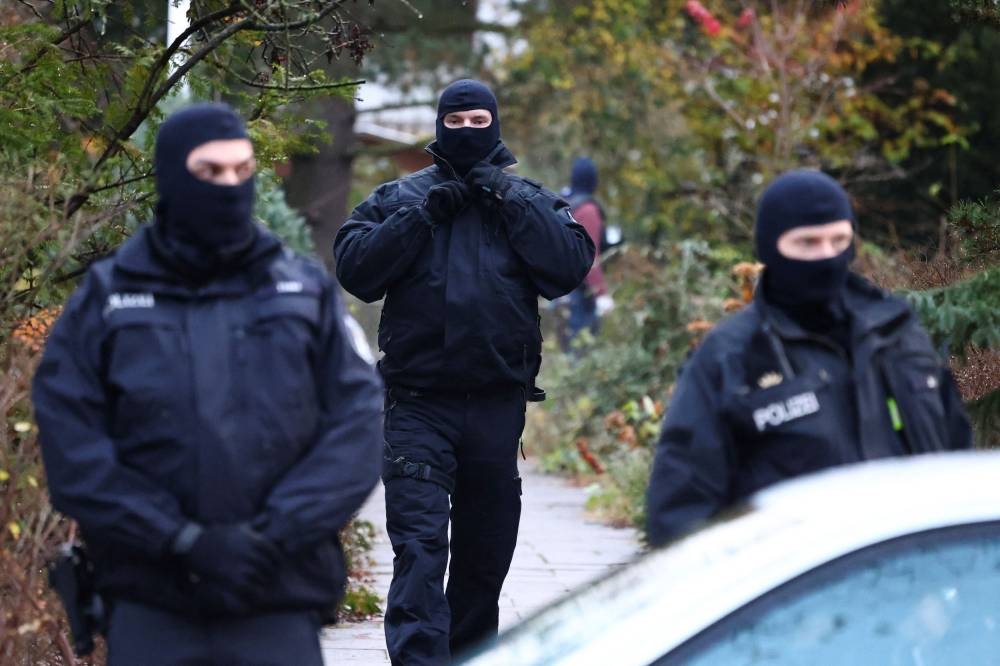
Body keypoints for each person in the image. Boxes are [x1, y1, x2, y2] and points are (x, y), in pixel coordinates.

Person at [32, 103, 383, 665]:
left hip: (277, 599)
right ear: (173, 177)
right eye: (210, 172)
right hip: (152, 603)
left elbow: (357, 426)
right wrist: (179, 539)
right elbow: (74, 447)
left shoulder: (303, 292)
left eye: (242, 171)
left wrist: (270, 536)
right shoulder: (107, 299)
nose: (229, 186)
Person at [334, 78, 594, 664]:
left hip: (497, 407)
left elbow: (569, 265)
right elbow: (356, 268)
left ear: (495, 125)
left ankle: (472, 656)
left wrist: (506, 195)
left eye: (481, 122)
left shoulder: (526, 198)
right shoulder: (401, 198)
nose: (470, 133)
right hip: (418, 403)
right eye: (458, 122)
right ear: (438, 126)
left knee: (484, 553)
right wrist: (422, 217)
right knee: (420, 548)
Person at [645, 169, 973, 547]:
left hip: (912, 583)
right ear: (770, 248)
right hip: (796, 589)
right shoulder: (732, 356)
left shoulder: (898, 333)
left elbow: (955, 468)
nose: (827, 257)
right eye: (807, 243)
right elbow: (680, 510)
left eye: (839, 240)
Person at [562, 156, 614, 350]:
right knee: (582, 349)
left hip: (557, 288)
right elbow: (589, 258)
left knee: (565, 346)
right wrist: (601, 294)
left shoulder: (563, 201)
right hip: (580, 293)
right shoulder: (588, 210)